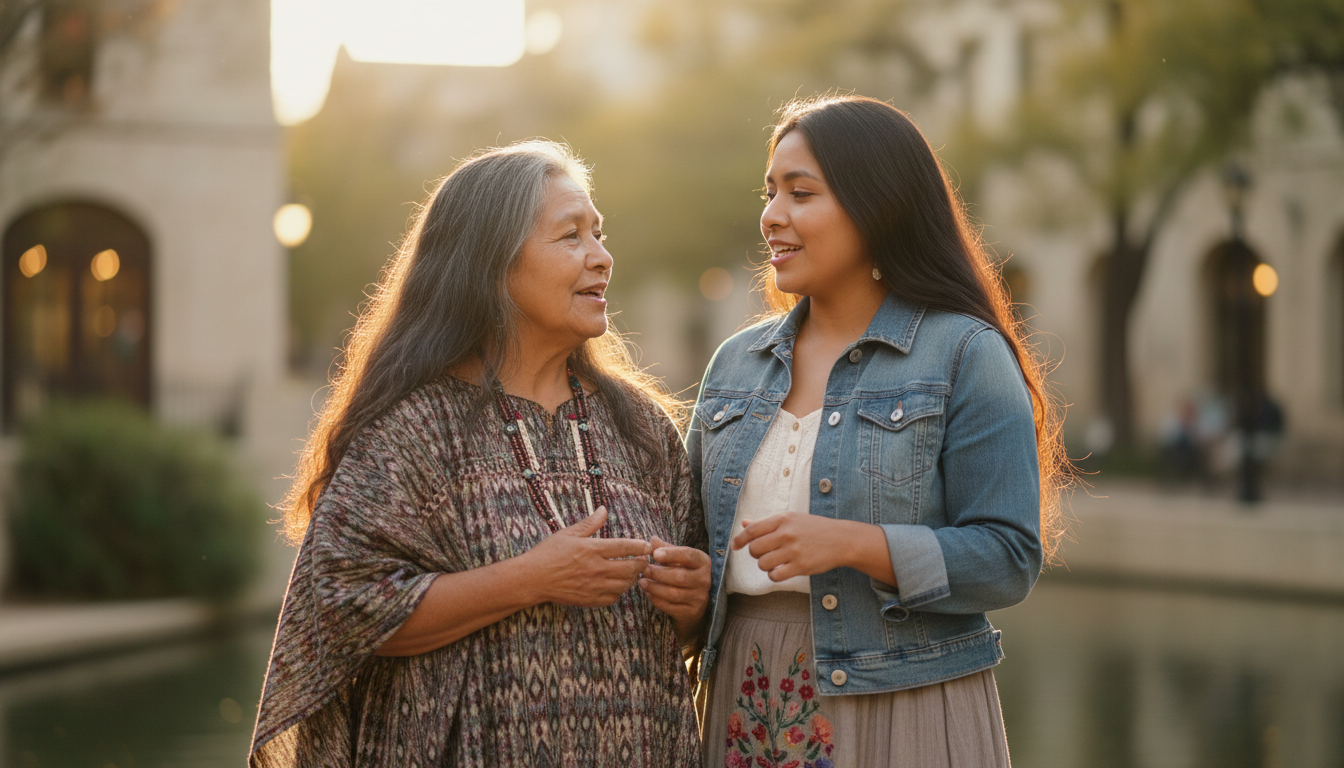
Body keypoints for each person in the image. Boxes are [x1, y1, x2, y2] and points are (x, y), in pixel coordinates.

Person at [250, 140, 710, 767]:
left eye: (599, 235)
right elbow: (342, 607)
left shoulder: (643, 430)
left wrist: (693, 604)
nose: (602, 257)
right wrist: (532, 578)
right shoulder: (412, 431)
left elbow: (691, 635)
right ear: (491, 263)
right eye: (570, 235)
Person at [688, 96, 1069, 767]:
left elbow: (1009, 559)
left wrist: (852, 544)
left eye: (800, 193)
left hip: (903, 704)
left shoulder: (964, 353)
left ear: (876, 208)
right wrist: (682, 582)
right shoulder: (736, 363)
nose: (771, 215)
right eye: (769, 193)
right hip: (745, 696)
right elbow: (697, 544)